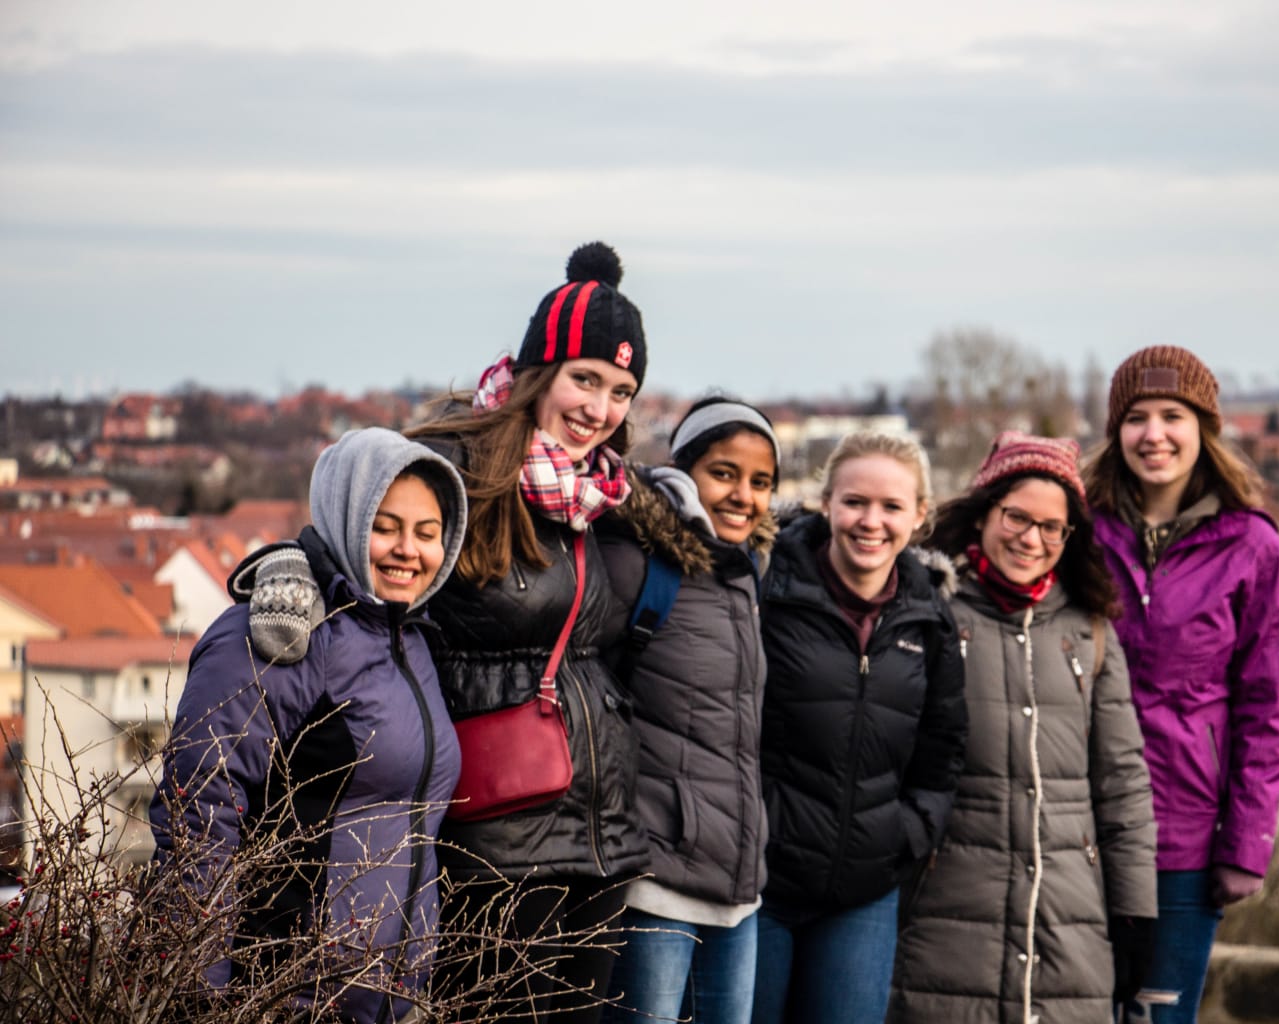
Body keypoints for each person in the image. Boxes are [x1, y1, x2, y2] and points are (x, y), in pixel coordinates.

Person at [245, 241, 652, 1022]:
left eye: (622, 391)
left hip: (599, 835)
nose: (600, 408)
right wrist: (284, 573)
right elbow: (348, 533)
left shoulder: (606, 497)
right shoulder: (454, 464)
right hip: (495, 844)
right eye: (586, 379)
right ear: (541, 372)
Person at [151, 426, 468, 1023]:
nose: (409, 550)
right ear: (346, 518)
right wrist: (200, 988)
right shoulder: (285, 632)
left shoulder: (414, 641)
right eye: (385, 526)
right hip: (284, 994)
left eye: (427, 534)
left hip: (391, 1001)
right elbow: (200, 808)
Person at [887, 432, 1158, 1024]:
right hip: (946, 924)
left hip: (1071, 931)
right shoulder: (929, 614)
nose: (1031, 539)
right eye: (1017, 517)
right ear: (985, 512)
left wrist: (1136, 914)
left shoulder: (1090, 631)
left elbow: (1123, 783)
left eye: (1051, 527)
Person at [1084, 345, 1279, 1023]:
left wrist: (1246, 844)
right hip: (1076, 827)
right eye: (1136, 417)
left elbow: (1271, 708)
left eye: (1172, 415)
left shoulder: (1253, 547)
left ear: (1203, 427)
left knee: (1156, 1015)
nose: (1154, 434)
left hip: (1186, 839)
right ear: (1116, 431)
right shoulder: (1078, 531)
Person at [751, 431, 968, 1024]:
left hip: (864, 892)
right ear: (826, 503)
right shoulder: (768, 590)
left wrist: (908, 833)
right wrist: (762, 822)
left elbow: (943, 748)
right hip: (764, 882)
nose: (871, 521)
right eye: (855, 502)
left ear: (919, 516)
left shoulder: (929, 619)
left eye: (892, 506)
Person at [596, 396, 780, 1024]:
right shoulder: (639, 563)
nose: (743, 496)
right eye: (724, 473)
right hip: (656, 879)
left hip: (737, 890)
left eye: (761, 482)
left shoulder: (746, 574)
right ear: (685, 470)